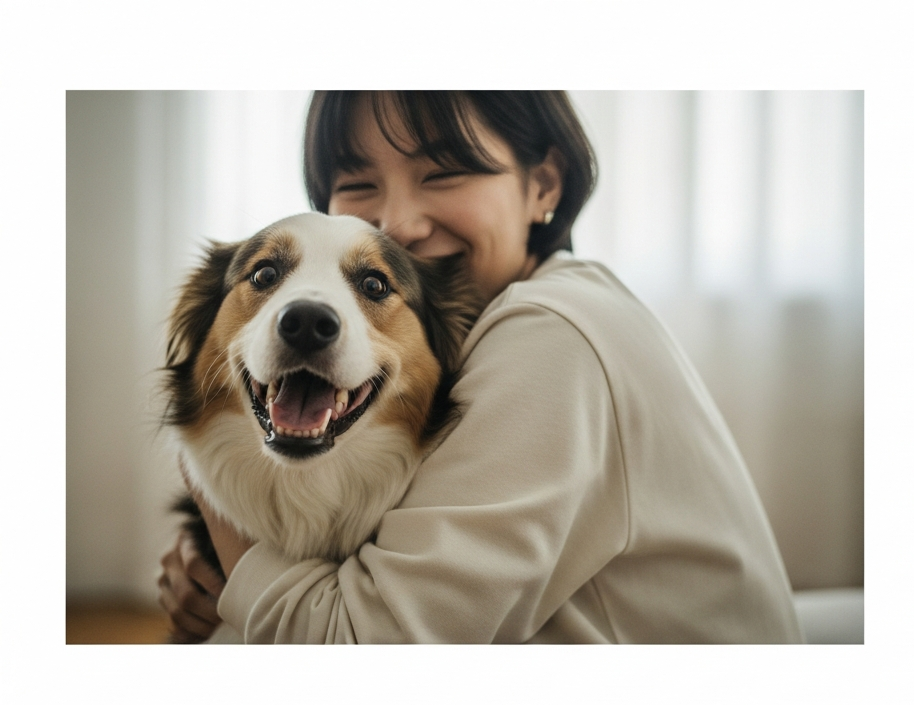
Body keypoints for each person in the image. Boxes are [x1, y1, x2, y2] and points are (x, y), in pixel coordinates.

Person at [156, 91, 803, 643]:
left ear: (543, 185)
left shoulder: (550, 334)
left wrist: (237, 558)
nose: (398, 224)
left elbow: (367, 648)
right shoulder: (487, 329)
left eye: (444, 173)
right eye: (357, 185)